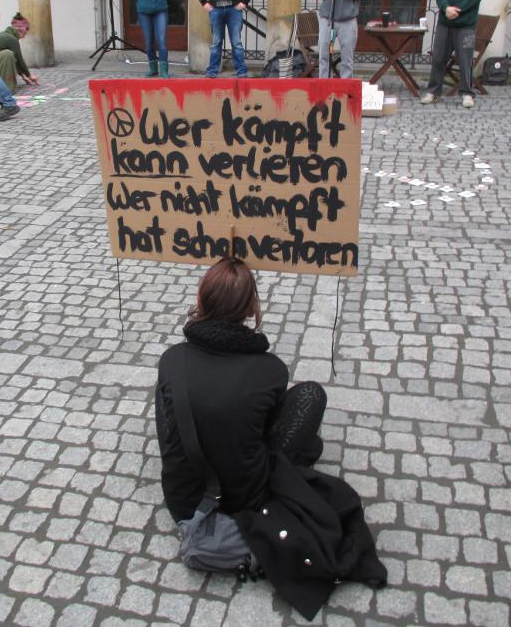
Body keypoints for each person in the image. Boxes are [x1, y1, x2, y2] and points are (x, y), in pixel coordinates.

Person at [156, 258, 387, 620]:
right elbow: (264, 430)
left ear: (200, 301)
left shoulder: (171, 360)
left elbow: (167, 433)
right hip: (247, 496)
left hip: (185, 498)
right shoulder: (270, 370)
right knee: (311, 394)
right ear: (251, 307)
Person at [420, 0, 488, 109]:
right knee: (439, 57)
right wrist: (445, 7)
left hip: (466, 23)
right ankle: (433, 91)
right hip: (445, 20)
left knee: (465, 59)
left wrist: (459, 9)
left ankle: (467, 93)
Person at [125, 0, 179, 78]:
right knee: (149, 41)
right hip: (144, 11)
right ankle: (153, 68)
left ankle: (164, 70)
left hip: (160, 10)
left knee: (161, 40)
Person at [0, 13, 39, 92]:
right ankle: (6, 89)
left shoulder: (8, 35)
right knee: (8, 54)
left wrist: (23, 75)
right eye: (27, 28)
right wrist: (29, 75)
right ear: (21, 29)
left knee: (10, 55)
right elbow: (19, 59)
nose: (27, 32)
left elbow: (15, 60)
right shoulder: (11, 39)